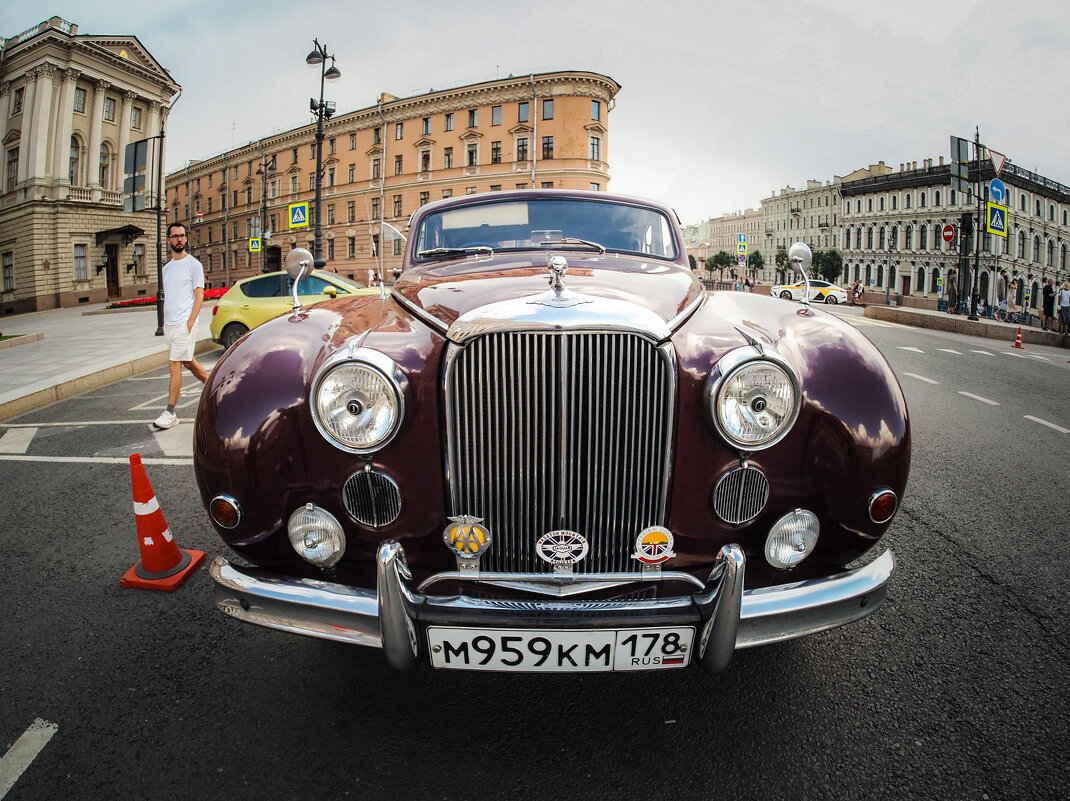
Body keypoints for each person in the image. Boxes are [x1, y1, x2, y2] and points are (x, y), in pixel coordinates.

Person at [153, 222, 208, 430]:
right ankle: (214, 385)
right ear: (169, 240)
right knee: (187, 362)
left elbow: (199, 297)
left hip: (185, 324)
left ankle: (170, 412)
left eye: (182, 236)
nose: (179, 239)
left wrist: (190, 322)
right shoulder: (166, 269)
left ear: (186, 239)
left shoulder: (194, 265)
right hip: (170, 325)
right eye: (175, 236)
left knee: (173, 364)